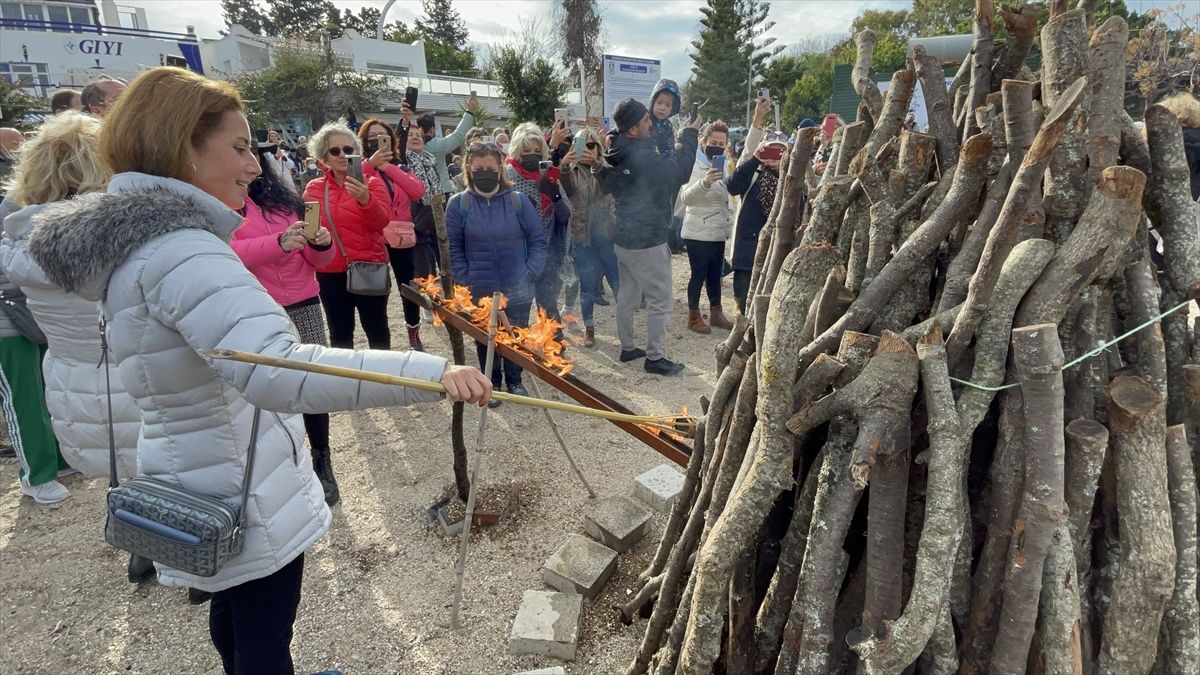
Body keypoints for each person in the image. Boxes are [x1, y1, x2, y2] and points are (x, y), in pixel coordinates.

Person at [21, 66, 491, 675]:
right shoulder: (184, 253)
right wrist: (428, 374)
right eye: (239, 149)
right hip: (237, 477)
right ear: (180, 147)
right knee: (266, 633)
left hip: (193, 460)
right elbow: (280, 370)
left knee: (236, 616)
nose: (253, 167)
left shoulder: (139, 243)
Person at [1, 110, 142, 489]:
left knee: (127, 488)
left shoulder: (17, 239)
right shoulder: (112, 237)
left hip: (74, 390)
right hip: (134, 387)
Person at [230, 144, 341, 505]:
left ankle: (322, 459)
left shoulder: (285, 203)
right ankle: (279, 466)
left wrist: (321, 244)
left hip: (305, 301)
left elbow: (316, 258)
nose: (249, 165)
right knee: (267, 386)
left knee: (312, 381)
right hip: (258, 306)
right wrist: (278, 242)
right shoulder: (224, 210)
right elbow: (231, 254)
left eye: (253, 158)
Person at [602, 97, 701, 375]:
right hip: (647, 240)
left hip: (624, 238)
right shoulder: (642, 156)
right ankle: (654, 357)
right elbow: (680, 174)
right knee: (660, 299)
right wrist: (691, 135)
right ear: (632, 129)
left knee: (628, 296)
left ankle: (628, 347)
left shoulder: (617, 148)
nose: (651, 123)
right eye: (646, 120)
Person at [447, 141, 547, 406]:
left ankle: (515, 381)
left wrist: (530, 272)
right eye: (478, 167)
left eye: (490, 167)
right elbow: (453, 247)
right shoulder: (458, 205)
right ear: (469, 168)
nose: (485, 171)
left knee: (516, 335)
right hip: (480, 287)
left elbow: (538, 240)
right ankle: (490, 383)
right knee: (485, 339)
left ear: (499, 168)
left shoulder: (519, 201)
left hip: (518, 285)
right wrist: (464, 279)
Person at [302, 121, 393, 350]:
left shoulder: (372, 183)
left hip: (367, 266)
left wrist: (365, 199)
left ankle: (383, 383)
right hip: (330, 272)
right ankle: (345, 384)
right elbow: (308, 226)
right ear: (324, 156)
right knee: (339, 335)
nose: (342, 155)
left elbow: (381, 223)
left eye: (348, 150)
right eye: (335, 150)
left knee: (377, 331)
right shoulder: (313, 188)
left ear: (356, 152)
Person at [358, 117, 428, 350]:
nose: (377, 142)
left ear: (391, 141)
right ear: (364, 142)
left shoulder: (400, 166)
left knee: (407, 286)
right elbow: (352, 184)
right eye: (372, 138)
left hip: (400, 236)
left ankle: (414, 333)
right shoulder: (359, 166)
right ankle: (381, 342)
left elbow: (418, 191)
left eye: (382, 137)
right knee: (377, 290)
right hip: (373, 236)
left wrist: (386, 166)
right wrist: (371, 164)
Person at [504, 122, 572, 322]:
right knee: (518, 313)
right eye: (526, 151)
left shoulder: (547, 173)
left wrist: (555, 195)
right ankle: (519, 352)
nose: (532, 155)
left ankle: (555, 349)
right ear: (516, 151)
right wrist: (520, 209)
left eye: (536, 150)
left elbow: (566, 215)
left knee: (549, 308)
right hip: (516, 256)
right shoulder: (506, 175)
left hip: (546, 253)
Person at [560, 128, 619, 348]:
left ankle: (625, 329)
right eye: (582, 144)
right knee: (586, 285)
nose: (587, 149)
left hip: (605, 233)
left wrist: (596, 166)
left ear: (599, 147)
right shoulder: (570, 171)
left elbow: (608, 187)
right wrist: (564, 167)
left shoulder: (606, 168)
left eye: (592, 145)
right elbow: (564, 190)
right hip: (582, 237)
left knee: (616, 281)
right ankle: (590, 328)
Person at [679, 120, 735, 334]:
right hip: (697, 231)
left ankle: (716, 313)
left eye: (722, 144)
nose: (717, 147)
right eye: (713, 142)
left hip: (718, 231)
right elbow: (686, 197)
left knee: (715, 275)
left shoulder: (725, 164)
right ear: (703, 141)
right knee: (698, 274)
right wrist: (705, 182)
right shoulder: (694, 164)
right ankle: (693, 316)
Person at [728, 127, 788, 313]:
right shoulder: (753, 173)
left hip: (780, 245)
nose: (775, 156)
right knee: (745, 296)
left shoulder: (793, 177)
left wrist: (785, 169)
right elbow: (732, 186)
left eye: (780, 151)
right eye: (771, 149)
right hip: (749, 243)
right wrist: (754, 160)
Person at [400, 123, 446, 283]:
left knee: (447, 268)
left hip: (435, 220)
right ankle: (429, 307)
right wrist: (405, 122)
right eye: (410, 135)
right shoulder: (402, 162)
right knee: (426, 275)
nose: (415, 138)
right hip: (417, 223)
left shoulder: (430, 161)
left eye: (418, 135)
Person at [413, 93, 479, 195]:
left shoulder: (410, 146)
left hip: (418, 192)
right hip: (441, 191)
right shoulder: (436, 146)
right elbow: (458, 135)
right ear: (432, 129)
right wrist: (469, 112)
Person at [648, 79, 682, 160]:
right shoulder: (644, 118)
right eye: (659, 102)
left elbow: (668, 148)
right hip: (633, 158)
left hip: (651, 162)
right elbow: (625, 126)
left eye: (667, 105)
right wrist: (613, 135)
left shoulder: (668, 126)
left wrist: (670, 166)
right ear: (653, 102)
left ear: (673, 108)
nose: (662, 108)